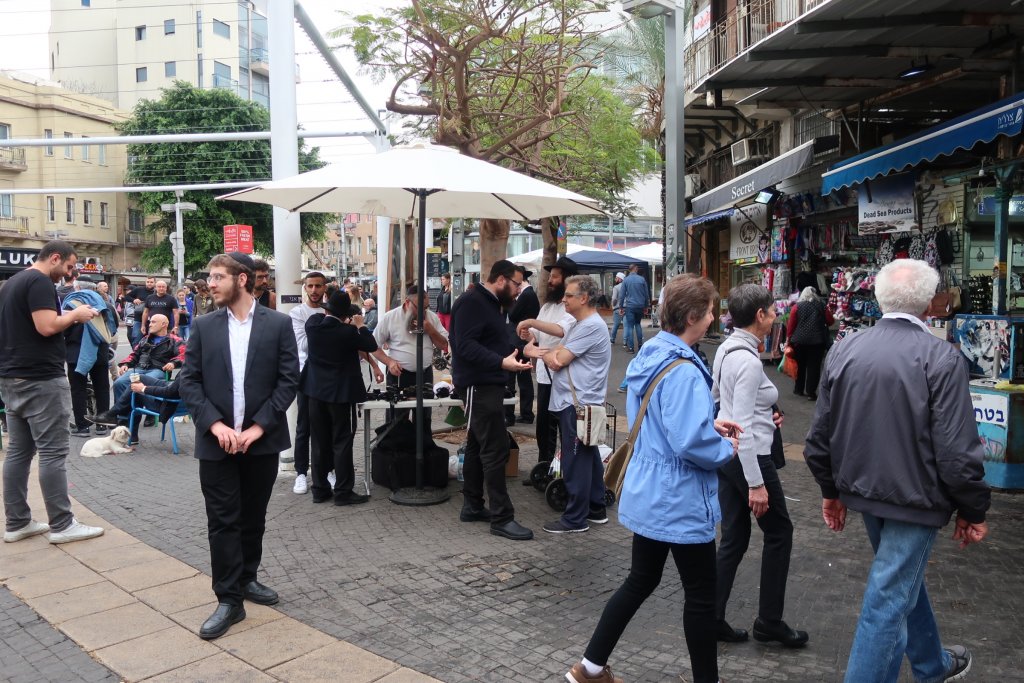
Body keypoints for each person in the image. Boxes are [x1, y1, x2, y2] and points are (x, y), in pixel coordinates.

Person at [804, 259, 989, 683]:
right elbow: (958, 452)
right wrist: (973, 509)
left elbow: (820, 437)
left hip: (868, 491)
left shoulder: (846, 348)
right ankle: (921, 667)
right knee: (888, 596)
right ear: (929, 304)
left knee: (899, 582)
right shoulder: (941, 357)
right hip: (916, 499)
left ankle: (931, 665)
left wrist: (830, 490)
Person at [566, 273, 738, 683]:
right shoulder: (684, 369)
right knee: (700, 595)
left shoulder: (652, 353)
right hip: (679, 498)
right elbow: (689, 443)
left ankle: (590, 668)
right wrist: (724, 446)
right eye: (711, 310)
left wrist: (708, 425)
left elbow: (665, 425)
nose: (714, 317)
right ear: (694, 316)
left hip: (650, 490)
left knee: (640, 580)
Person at [178, 252, 299, 640]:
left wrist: (257, 428)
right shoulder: (203, 326)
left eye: (217, 277)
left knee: (253, 517)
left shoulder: (278, 324)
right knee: (223, 520)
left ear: (242, 279)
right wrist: (214, 424)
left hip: (259, 443)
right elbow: (189, 381)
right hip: (217, 444)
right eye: (209, 277)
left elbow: (287, 382)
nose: (210, 284)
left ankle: (247, 578)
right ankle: (229, 599)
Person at [711, 284, 807, 647]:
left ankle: (712, 617)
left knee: (734, 538)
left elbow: (725, 402)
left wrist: (771, 410)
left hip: (727, 454)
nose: (776, 316)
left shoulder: (726, 348)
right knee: (780, 533)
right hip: (748, 458)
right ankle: (769, 620)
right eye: (772, 311)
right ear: (760, 316)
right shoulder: (749, 361)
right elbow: (744, 428)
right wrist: (756, 483)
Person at [1, 240, 105, 545]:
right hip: (40, 379)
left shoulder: (11, 284)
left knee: (19, 452)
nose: (69, 274)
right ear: (55, 258)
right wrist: (77, 315)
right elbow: (47, 326)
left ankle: (17, 522)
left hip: (12, 377)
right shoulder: (39, 281)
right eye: (69, 267)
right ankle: (62, 524)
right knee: (52, 452)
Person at [450, 259, 533, 541]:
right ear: (500, 280)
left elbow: (494, 342)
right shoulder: (472, 301)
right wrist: (501, 363)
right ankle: (501, 518)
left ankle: (473, 505)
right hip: (478, 385)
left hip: (488, 384)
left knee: (476, 445)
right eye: (516, 284)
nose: (519, 290)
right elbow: (465, 346)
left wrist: (523, 350)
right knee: (495, 449)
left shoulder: (491, 303)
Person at [523, 275, 610, 534]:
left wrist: (538, 352)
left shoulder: (591, 326)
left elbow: (557, 359)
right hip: (576, 402)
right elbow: (558, 351)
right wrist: (544, 351)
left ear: (584, 298)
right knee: (588, 455)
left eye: (569, 296)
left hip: (579, 403)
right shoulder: (579, 323)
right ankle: (596, 508)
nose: (564, 299)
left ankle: (575, 519)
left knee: (576, 459)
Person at [302, 291, 378, 505]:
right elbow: (370, 344)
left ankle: (320, 489)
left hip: (315, 392)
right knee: (342, 442)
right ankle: (343, 491)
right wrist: (360, 324)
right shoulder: (348, 332)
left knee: (318, 441)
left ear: (327, 309)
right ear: (346, 314)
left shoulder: (313, 325)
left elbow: (321, 316)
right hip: (341, 394)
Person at [515, 256, 579, 464]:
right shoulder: (548, 305)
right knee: (543, 424)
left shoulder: (572, 308)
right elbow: (540, 331)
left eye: (554, 277)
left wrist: (532, 322)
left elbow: (560, 330)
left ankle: (564, 468)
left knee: (563, 425)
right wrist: (530, 334)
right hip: (544, 373)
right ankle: (544, 465)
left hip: (563, 374)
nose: (549, 281)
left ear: (567, 279)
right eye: (550, 276)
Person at [371, 286, 448, 425]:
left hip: (424, 374)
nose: (422, 313)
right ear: (407, 302)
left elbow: (444, 345)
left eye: (425, 308)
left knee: (424, 418)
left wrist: (431, 330)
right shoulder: (391, 317)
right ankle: (396, 445)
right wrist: (389, 362)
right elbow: (372, 345)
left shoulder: (431, 317)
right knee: (397, 419)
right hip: (399, 374)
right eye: (419, 308)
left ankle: (423, 445)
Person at [288, 271, 328, 495]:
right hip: (305, 375)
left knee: (327, 426)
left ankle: (327, 470)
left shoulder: (330, 310)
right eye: (310, 286)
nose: (314, 291)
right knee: (303, 427)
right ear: (305, 288)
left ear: (325, 288)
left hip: (329, 377)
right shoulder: (297, 312)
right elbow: (302, 346)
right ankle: (301, 473)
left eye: (318, 286)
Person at [63, 288, 116, 438]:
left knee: (78, 389)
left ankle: (82, 426)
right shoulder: (104, 304)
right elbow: (113, 327)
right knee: (102, 388)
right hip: (100, 351)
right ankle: (101, 424)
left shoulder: (70, 305)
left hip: (76, 352)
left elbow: (63, 328)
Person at [112, 314, 185, 407]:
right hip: (139, 368)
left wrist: (173, 363)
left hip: (159, 370)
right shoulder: (145, 339)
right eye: (150, 322)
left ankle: (150, 414)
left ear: (164, 324)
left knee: (140, 384)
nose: (150, 324)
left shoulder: (175, 340)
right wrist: (126, 364)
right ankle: (123, 417)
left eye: (153, 322)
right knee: (119, 383)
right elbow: (134, 354)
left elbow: (184, 355)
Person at [88, 374, 180, 446]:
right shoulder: (191, 367)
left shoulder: (188, 370)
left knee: (135, 391)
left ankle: (114, 417)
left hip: (169, 405)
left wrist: (144, 389)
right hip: (173, 395)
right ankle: (116, 419)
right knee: (139, 378)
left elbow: (169, 392)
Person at [786, 286, 833, 400]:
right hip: (817, 342)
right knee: (814, 367)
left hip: (799, 341)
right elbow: (830, 321)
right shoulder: (822, 305)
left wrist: (788, 339)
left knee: (800, 366)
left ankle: (798, 389)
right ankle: (811, 393)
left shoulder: (797, 307)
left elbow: (791, 325)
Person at [506, 266, 539, 426]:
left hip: (519, 341)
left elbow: (512, 315)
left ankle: (521, 413)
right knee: (522, 379)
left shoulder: (526, 294)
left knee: (518, 379)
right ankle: (524, 413)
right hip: (520, 340)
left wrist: (510, 301)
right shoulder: (528, 294)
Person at [620, 264, 650, 353]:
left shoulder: (626, 280)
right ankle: (640, 346)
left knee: (629, 326)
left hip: (630, 306)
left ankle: (631, 348)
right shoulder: (642, 279)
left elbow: (622, 295)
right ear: (635, 269)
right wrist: (646, 306)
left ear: (629, 270)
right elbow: (646, 294)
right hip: (640, 305)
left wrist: (621, 306)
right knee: (638, 324)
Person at [128, 277, 155, 347]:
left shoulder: (157, 292)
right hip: (139, 318)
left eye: (151, 282)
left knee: (152, 340)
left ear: (154, 283)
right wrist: (134, 300)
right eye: (148, 282)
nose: (149, 283)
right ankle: (136, 356)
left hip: (153, 319)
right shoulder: (139, 289)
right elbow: (126, 297)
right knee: (136, 338)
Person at [609, 272, 625, 346]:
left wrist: (613, 305)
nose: (615, 279)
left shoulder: (616, 287)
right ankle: (626, 342)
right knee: (627, 326)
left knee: (616, 325)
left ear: (619, 279)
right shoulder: (627, 286)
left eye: (616, 278)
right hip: (627, 307)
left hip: (618, 308)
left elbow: (614, 298)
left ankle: (612, 339)